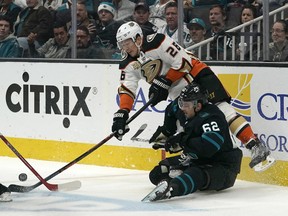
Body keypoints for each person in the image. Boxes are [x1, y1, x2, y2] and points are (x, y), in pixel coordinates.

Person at [111, 21, 273, 171]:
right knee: (188, 126)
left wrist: (164, 82)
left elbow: (184, 61)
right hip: (178, 91)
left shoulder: (157, 41)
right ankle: (197, 162)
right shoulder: (127, 63)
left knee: (223, 111)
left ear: (138, 38)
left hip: (196, 76)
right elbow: (127, 88)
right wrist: (122, 113)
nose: (125, 48)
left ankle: (255, 145)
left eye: (127, 43)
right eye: (122, 45)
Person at [142, 82, 243, 202]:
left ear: (198, 106)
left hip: (224, 166)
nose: (182, 108)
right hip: (199, 160)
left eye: (186, 105)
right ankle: (180, 180)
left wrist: (182, 141)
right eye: (181, 103)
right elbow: (172, 108)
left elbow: (209, 147)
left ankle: (172, 189)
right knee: (158, 172)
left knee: (195, 174)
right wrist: (166, 132)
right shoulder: (187, 110)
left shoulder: (212, 117)